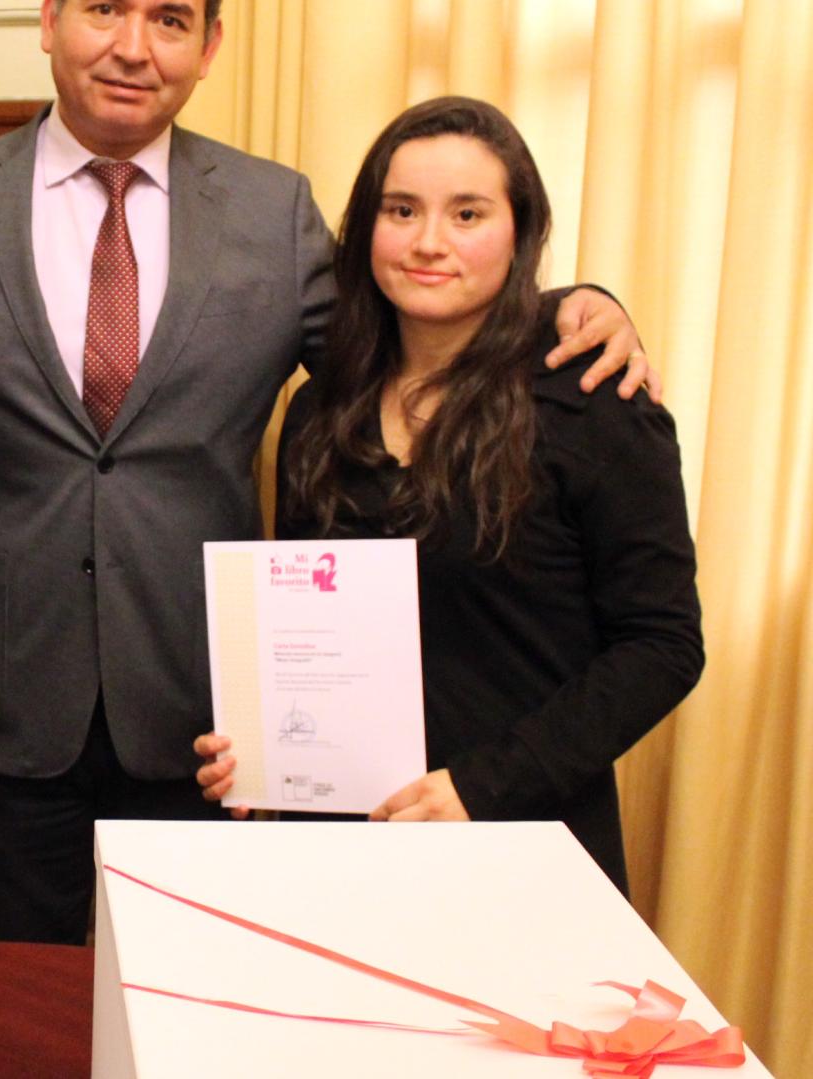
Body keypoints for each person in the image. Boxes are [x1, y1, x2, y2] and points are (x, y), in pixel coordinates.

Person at [0, 0, 655, 943]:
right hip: (1, 711)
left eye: (169, 19)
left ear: (208, 49)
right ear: (48, 21)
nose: (133, 46)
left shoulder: (273, 208)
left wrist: (572, 305)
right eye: (103, 10)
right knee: (11, 1015)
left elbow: (400, 344)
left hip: (208, 729)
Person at [195, 97, 702, 896]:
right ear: (365, 229)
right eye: (402, 211)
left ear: (518, 230)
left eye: (467, 213)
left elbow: (662, 646)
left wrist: (480, 788)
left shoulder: (596, 398)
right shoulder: (321, 408)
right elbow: (304, 624)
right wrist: (263, 752)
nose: (429, 242)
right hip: (343, 854)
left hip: (526, 850)